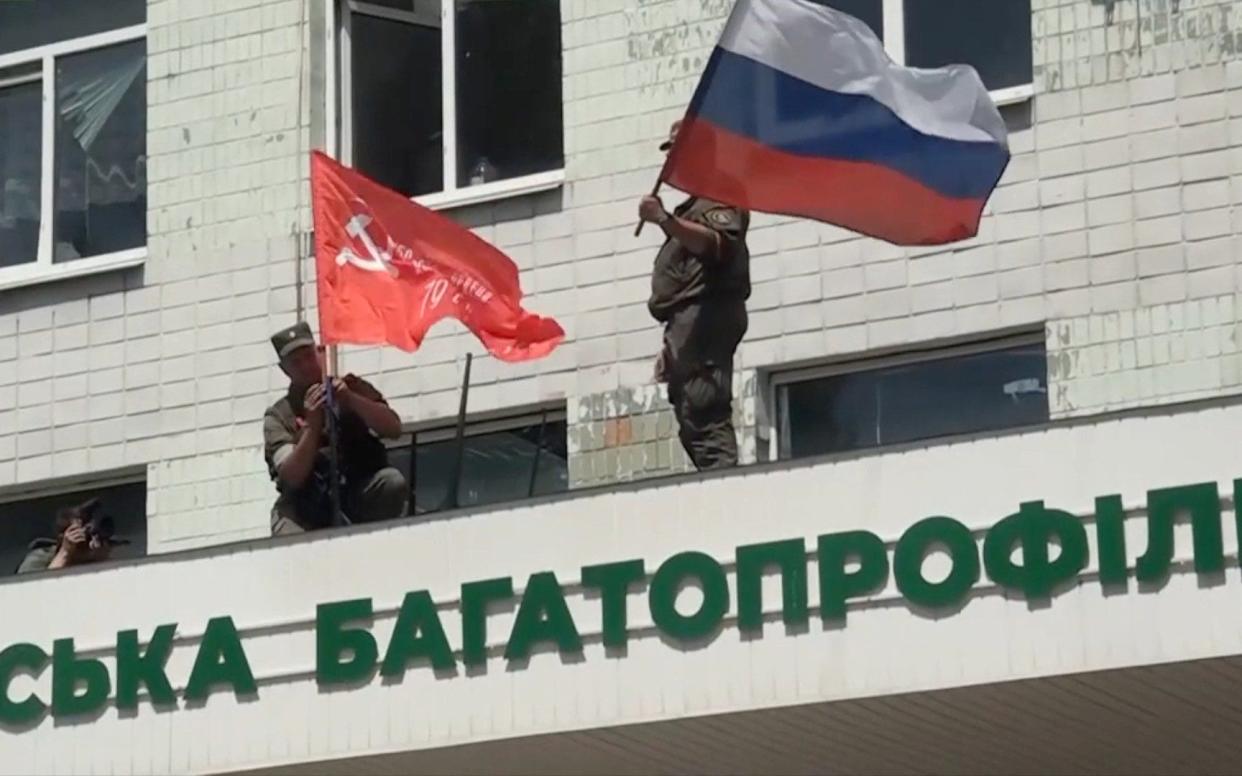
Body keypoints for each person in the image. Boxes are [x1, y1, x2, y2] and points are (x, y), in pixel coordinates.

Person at [638, 120, 752, 471]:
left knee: (704, 411)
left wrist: (665, 221)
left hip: (706, 319)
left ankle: (726, 491)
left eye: (678, 152)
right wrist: (673, 348)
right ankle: (717, 483)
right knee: (691, 412)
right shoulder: (693, 207)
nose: (672, 162)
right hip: (691, 326)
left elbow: (716, 245)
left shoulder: (720, 195)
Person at [263, 322, 407, 535]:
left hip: (355, 490)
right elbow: (291, 476)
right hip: (306, 506)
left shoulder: (351, 387)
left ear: (320, 353)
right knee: (287, 534)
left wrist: (352, 400)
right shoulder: (278, 415)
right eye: (296, 362)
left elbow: (393, 428)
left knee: (392, 482)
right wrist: (312, 426)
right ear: (284, 369)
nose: (305, 366)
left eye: (308, 356)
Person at [16, 498, 122, 574]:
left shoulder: (98, 554)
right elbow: (32, 591)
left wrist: (101, 560)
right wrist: (65, 552)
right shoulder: (41, 558)